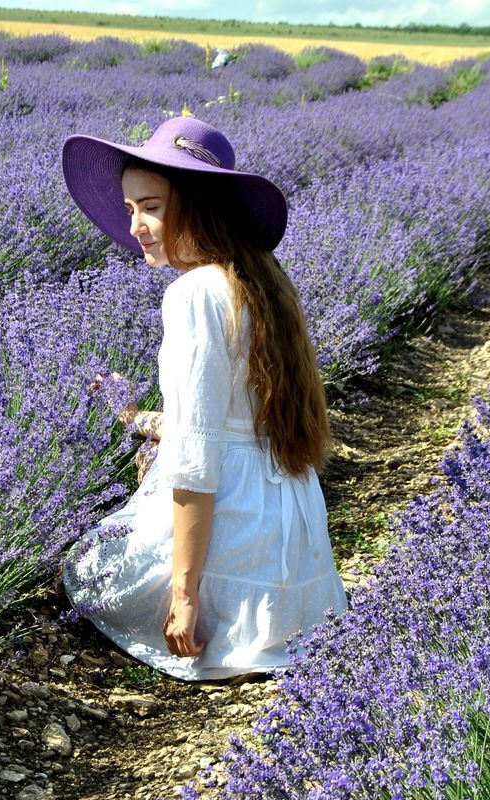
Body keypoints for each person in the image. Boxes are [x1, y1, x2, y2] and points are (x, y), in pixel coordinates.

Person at [58, 116, 348, 683]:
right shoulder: (261, 280)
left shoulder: (192, 293)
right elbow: (230, 417)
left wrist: (184, 593)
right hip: (292, 542)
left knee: (85, 571)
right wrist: (135, 418)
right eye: (129, 209)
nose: (137, 225)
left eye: (152, 207)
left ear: (196, 206)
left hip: (230, 532)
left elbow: (195, 458)